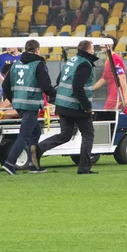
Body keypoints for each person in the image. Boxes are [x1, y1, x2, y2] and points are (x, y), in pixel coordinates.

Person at [35, 40, 100, 174]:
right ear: (88, 50)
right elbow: (77, 86)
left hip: (62, 104)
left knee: (65, 135)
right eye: (92, 48)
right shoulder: (85, 64)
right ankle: (84, 168)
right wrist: (87, 106)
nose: (94, 50)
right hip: (76, 107)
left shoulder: (71, 60)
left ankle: (38, 149)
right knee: (88, 134)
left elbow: (60, 80)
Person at [1, 40, 56, 176]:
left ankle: (33, 164)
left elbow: (5, 85)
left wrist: (13, 100)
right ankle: (10, 162)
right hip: (31, 104)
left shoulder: (15, 64)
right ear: (37, 50)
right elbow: (46, 86)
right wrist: (56, 97)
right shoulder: (38, 64)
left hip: (19, 104)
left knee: (35, 131)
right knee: (24, 135)